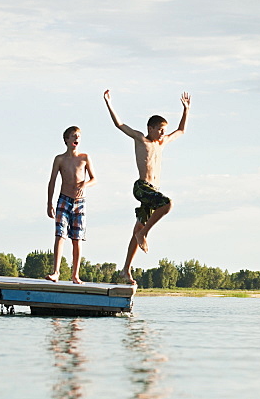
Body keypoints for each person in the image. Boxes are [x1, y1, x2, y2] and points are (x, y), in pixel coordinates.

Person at [103, 89, 190, 284]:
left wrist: (186, 110)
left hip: (153, 191)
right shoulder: (141, 139)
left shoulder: (162, 143)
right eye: (160, 129)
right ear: (150, 128)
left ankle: (125, 270)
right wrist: (109, 103)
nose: (162, 133)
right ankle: (144, 234)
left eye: (164, 130)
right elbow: (119, 124)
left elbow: (181, 131)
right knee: (167, 204)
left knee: (138, 226)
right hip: (142, 187)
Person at [46, 125, 96, 284]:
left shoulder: (84, 158)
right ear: (66, 140)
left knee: (77, 239)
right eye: (73, 136)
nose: (76, 139)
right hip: (64, 200)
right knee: (60, 235)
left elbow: (94, 179)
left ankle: (75, 275)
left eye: (78, 136)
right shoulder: (60, 159)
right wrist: (49, 203)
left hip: (79, 202)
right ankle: (56, 272)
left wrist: (85, 184)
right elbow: (52, 181)